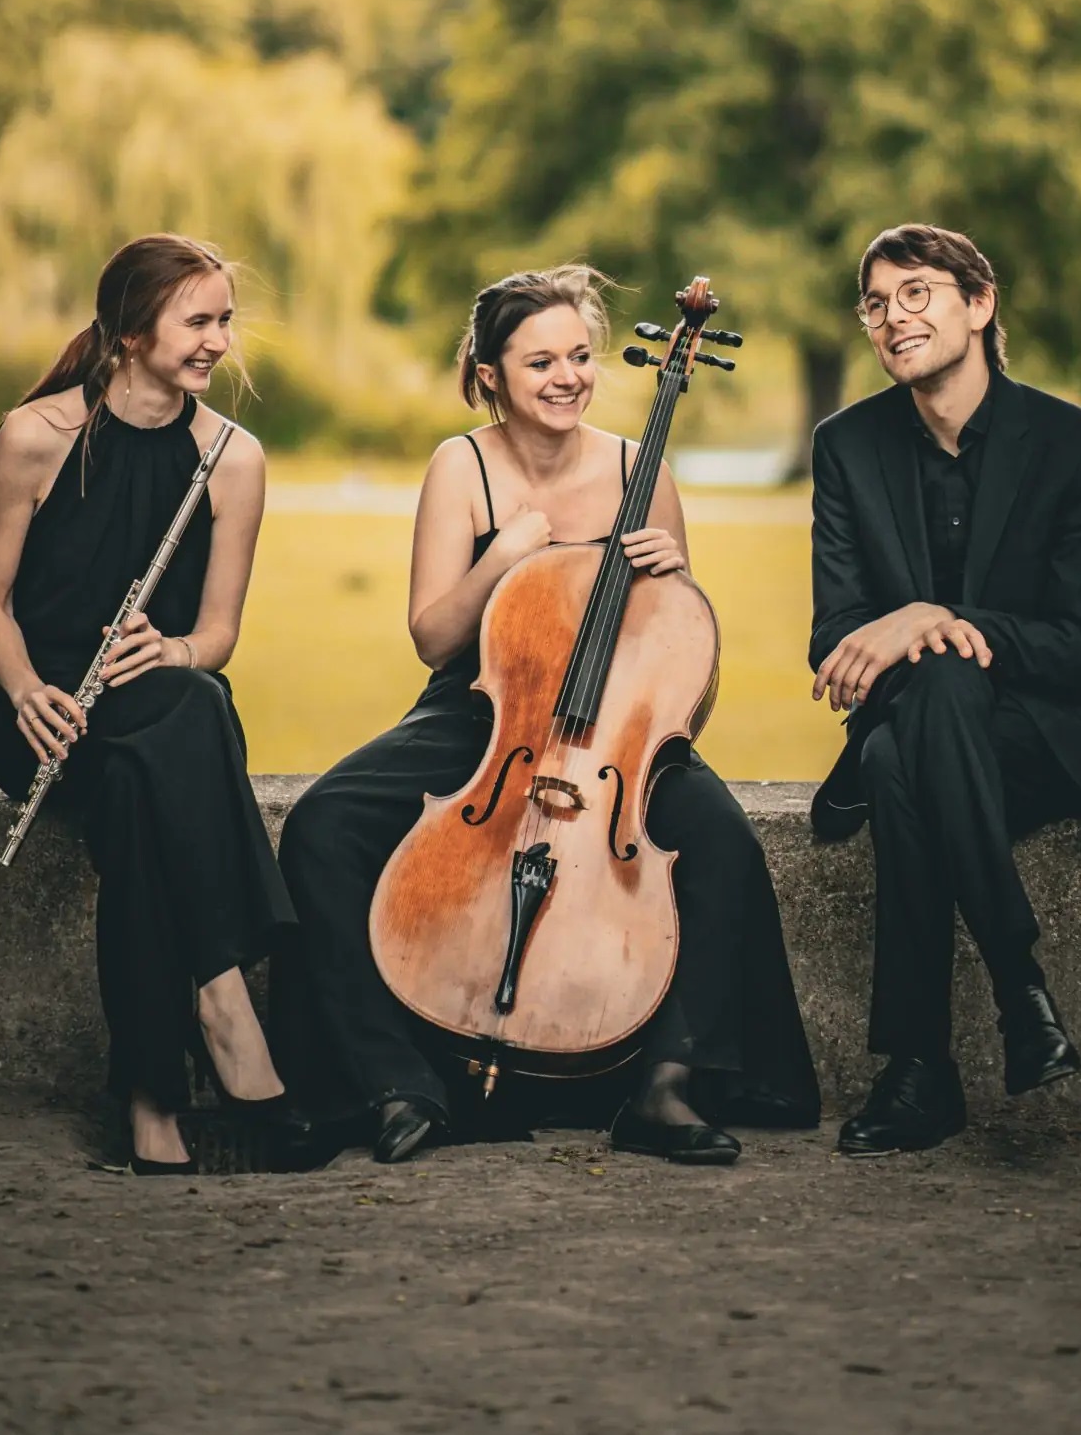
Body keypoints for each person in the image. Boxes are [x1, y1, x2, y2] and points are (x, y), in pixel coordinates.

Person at [279, 264, 819, 1166]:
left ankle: (666, 1086)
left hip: (619, 730)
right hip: (483, 710)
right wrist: (505, 557)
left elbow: (681, 661)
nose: (566, 377)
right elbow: (432, 636)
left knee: (722, 840)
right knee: (323, 827)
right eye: (539, 362)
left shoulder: (636, 468)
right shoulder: (462, 466)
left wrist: (670, 577)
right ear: (489, 372)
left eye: (579, 357)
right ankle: (395, 1085)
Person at [808, 222, 1081, 1156]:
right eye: (876, 304)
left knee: (911, 727)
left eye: (917, 292)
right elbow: (833, 638)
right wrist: (905, 631)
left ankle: (921, 1067)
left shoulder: (1080, 447)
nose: (893, 317)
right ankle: (1018, 993)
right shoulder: (846, 447)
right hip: (934, 729)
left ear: (979, 303)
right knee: (910, 728)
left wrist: (929, 620)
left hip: (1049, 737)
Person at [0, 233, 306, 1176]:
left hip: (153, 694)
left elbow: (218, 633)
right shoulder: (35, 436)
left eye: (224, 321)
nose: (217, 342)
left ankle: (152, 1095)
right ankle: (224, 996)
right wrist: (26, 689)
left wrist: (176, 649)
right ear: (128, 332)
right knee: (197, 716)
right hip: (45, 707)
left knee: (167, 737)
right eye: (196, 321)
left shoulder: (232, 458)